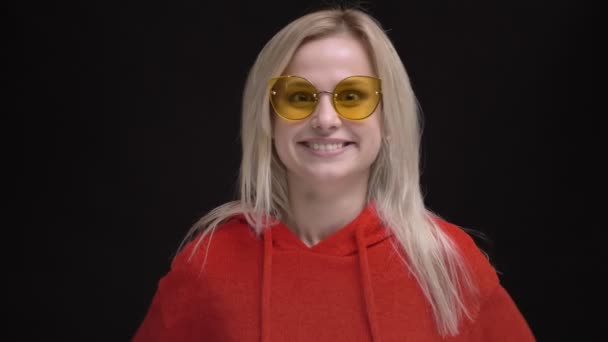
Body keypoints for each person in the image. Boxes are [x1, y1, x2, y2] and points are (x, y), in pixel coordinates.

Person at [133, 6, 535, 342]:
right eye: (299, 97)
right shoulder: (207, 266)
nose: (325, 119)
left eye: (352, 96)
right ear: (268, 118)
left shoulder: (447, 264)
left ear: (387, 115)